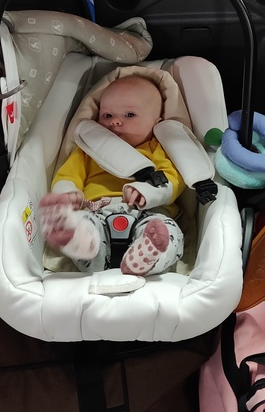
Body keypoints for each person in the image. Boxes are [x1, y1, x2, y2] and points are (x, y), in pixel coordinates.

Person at [39, 75, 186, 276]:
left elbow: (173, 180)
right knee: (83, 222)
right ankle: (78, 240)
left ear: (156, 122)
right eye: (107, 115)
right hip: (97, 212)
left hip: (148, 213)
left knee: (168, 231)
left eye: (130, 114)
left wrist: (147, 192)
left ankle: (148, 256)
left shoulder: (157, 148)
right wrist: (68, 194)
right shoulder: (89, 149)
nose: (115, 121)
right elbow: (67, 176)